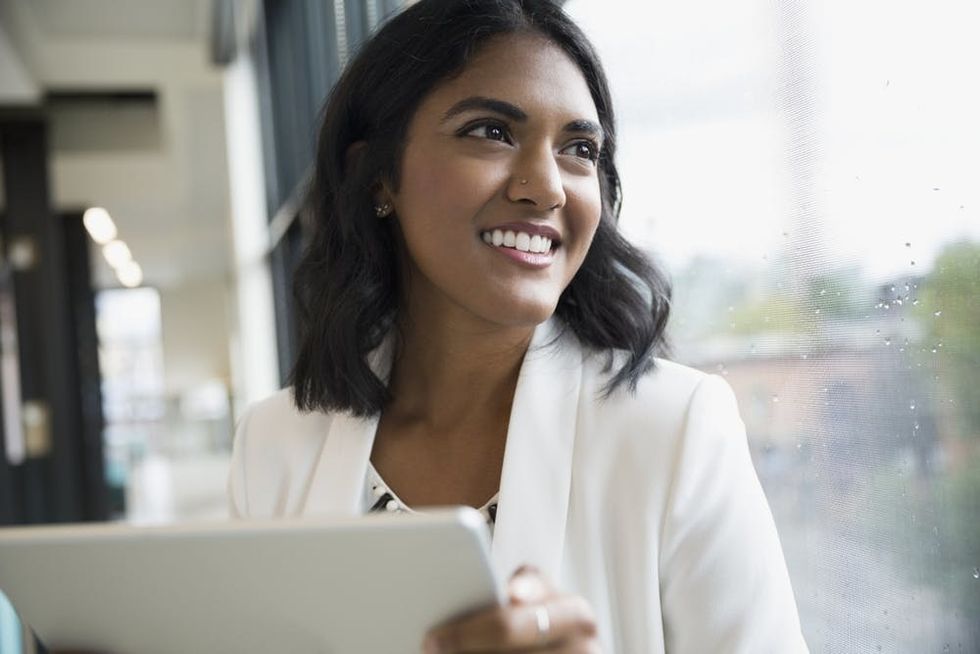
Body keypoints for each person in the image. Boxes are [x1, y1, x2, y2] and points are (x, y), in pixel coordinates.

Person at [229, 0, 809, 651]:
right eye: (492, 132)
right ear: (378, 176)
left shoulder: (675, 427)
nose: (547, 187)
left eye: (579, 149)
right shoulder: (274, 444)